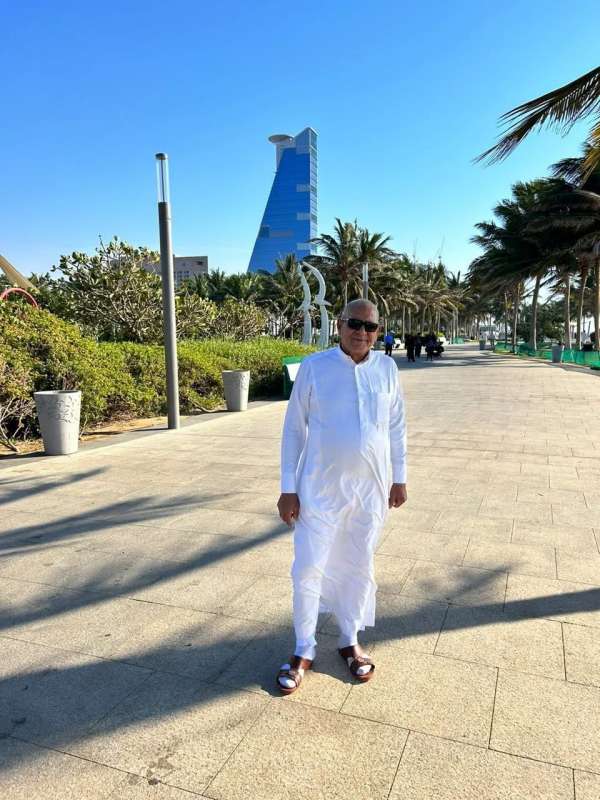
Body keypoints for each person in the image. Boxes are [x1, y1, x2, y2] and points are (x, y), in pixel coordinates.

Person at [276, 299, 407, 693]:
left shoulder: (387, 368)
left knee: (359, 563)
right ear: (339, 325)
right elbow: (294, 429)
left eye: (370, 327)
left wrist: (399, 478)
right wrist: (288, 488)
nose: (361, 333)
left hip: (370, 490)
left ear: (378, 331)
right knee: (308, 567)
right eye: (354, 323)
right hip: (319, 488)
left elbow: (397, 426)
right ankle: (303, 648)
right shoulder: (315, 367)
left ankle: (350, 640)